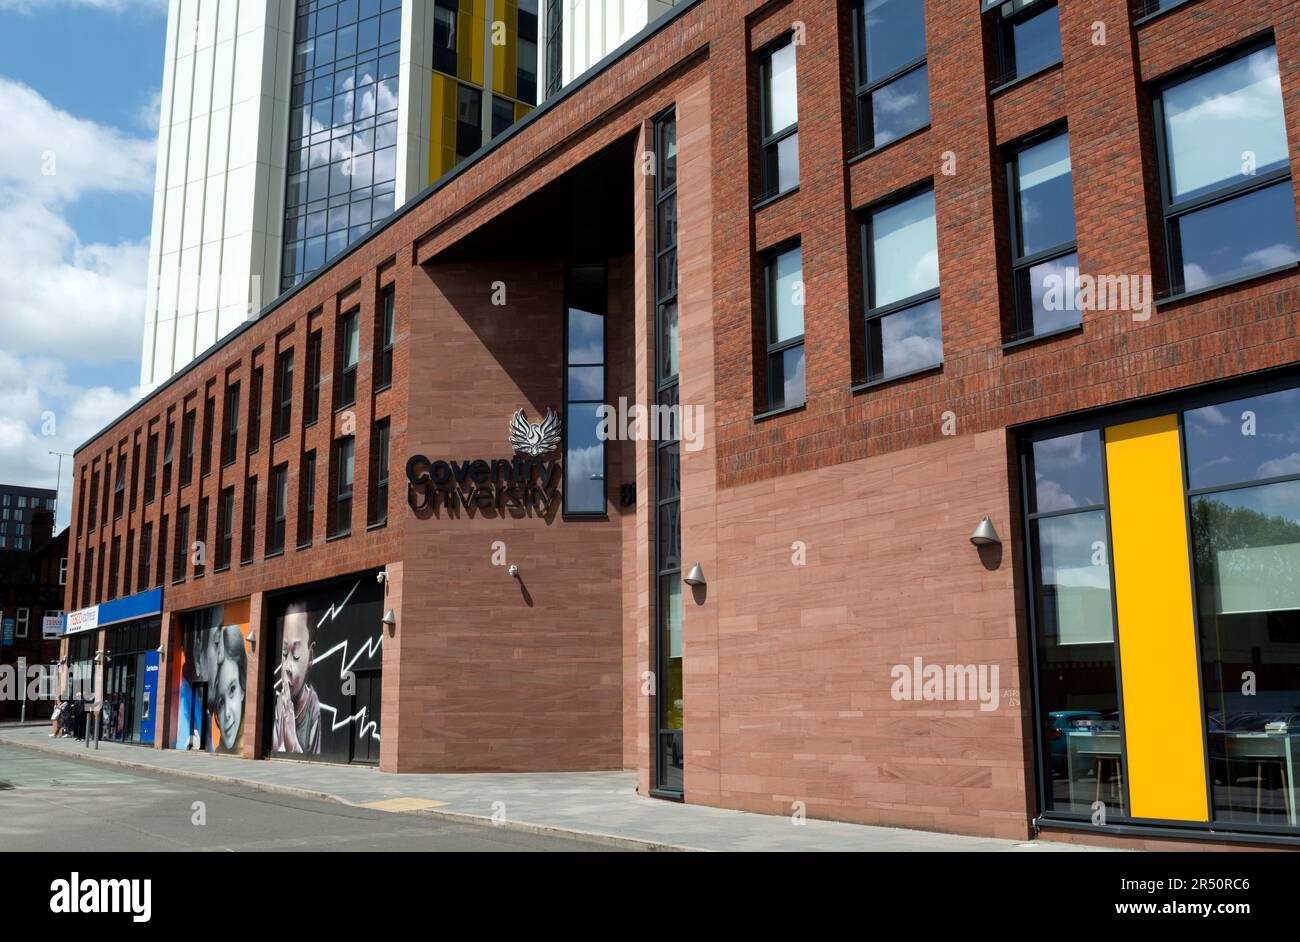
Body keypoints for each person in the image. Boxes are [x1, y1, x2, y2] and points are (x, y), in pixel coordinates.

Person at [272, 601, 321, 754]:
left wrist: (291, 739)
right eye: (285, 653)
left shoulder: (313, 707)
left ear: (311, 655)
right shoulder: (281, 702)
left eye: (296, 655)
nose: (287, 667)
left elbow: (313, 759)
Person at [215, 626, 247, 752]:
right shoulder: (218, 750)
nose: (227, 714)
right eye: (221, 702)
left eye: (232, 690)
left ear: (242, 691)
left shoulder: (247, 746)